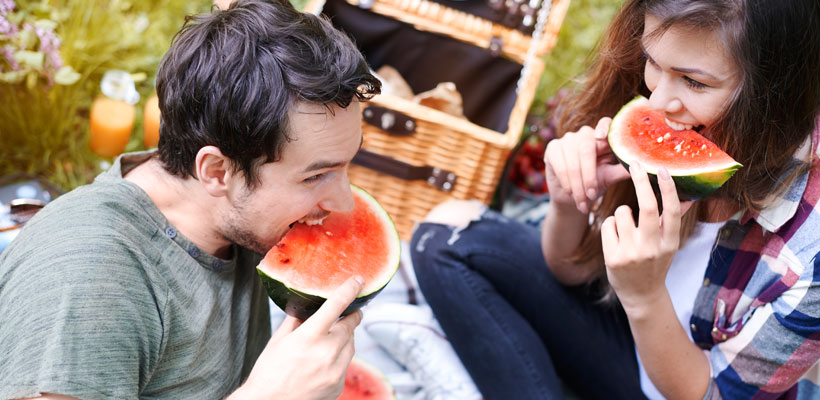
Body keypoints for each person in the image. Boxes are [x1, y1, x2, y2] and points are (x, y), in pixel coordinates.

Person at [409, 0, 820, 399]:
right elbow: (570, 272)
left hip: (688, 386)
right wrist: (569, 202)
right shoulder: (668, 115)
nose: (658, 103)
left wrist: (645, 298)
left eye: (694, 82)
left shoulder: (810, 250)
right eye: (653, 63)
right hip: (624, 342)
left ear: (773, 94)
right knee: (444, 235)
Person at [0, 0, 381, 398]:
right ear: (216, 171)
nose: (346, 203)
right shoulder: (90, 284)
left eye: (345, 166)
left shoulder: (235, 210)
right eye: (317, 175)